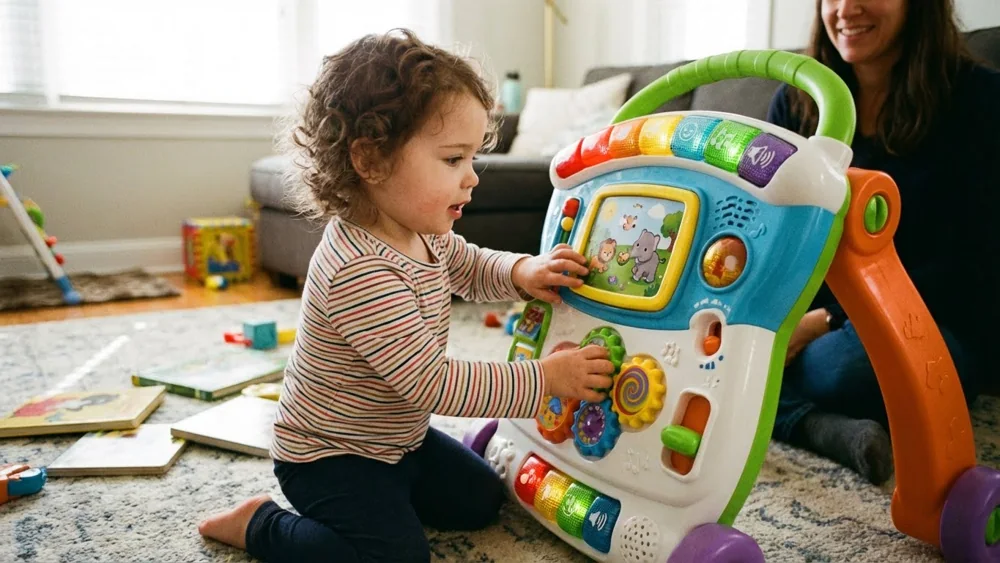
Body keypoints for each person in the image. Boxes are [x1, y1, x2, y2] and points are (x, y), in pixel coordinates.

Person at [197, 29, 615, 562]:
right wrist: (545, 381)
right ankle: (260, 524)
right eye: (451, 160)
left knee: (482, 500)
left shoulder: (421, 229)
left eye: (472, 159)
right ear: (370, 161)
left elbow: (467, 265)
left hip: (400, 440)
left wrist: (521, 271)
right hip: (331, 456)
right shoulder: (357, 269)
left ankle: (393, 497)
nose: (472, 179)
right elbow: (432, 383)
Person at [767, 0, 1000, 485]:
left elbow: (971, 264)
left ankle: (785, 410)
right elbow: (775, 237)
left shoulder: (978, 99)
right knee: (718, 336)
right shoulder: (795, 103)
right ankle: (818, 427)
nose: (846, 9)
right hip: (812, 324)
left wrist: (819, 323)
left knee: (842, 368)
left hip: (932, 320)